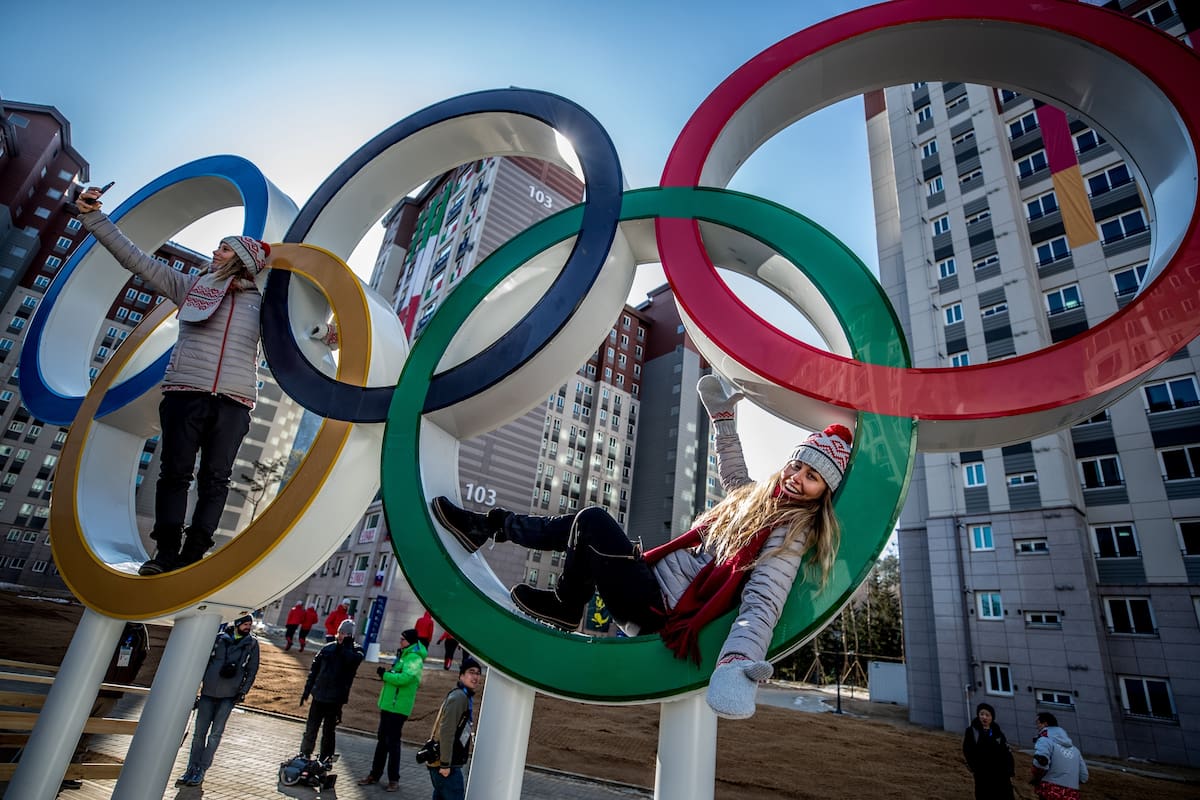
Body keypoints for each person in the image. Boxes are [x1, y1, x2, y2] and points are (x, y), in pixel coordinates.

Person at [432, 374, 849, 719]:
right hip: (648, 585)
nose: (797, 477)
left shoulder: (788, 534)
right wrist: (723, 419)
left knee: (593, 520)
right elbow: (735, 473)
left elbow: (764, 601)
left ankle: (548, 587)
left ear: (823, 491)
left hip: (659, 609)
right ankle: (493, 533)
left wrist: (737, 662)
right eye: (796, 464)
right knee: (585, 523)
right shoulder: (755, 504)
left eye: (812, 476)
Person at [74, 188, 270, 576]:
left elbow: (303, 333)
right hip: (185, 393)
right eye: (217, 248)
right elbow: (137, 260)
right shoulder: (191, 288)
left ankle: (194, 555)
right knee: (174, 473)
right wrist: (93, 217)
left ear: (243, 261)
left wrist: (329, 335)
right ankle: (164, 554)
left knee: (216, 479)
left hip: (234, 402)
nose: (216, 254)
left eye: (225, 250)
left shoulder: (265, 305)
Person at [176, 613, 260, 787]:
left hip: (229, 696)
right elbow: (203, 662)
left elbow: (252, 670)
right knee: (198, 735)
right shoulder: (219, 639)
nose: (248, 627)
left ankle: (201, 770)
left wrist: (243, 691)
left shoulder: (252, 644)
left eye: (249, 625)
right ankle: (190, 769)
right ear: (237, 624)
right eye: (245, 624)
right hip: (208, 692)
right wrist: (194, 689)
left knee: (215, 736)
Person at [358, 628, 427, 791]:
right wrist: (388, 675)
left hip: (398, 708)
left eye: (403, 639)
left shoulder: (414, 658)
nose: (400, 641)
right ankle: (374, 775)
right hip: (389, 705)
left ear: (410, 641)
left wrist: (385, 676)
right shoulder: (403, 656)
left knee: (393, 743)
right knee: (382, 741)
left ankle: (393, 780)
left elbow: (405, 679)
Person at [299, 618, 365, 763]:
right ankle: (305, 753)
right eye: (340, 632)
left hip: (335, 699)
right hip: (319, 696)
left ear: (351, 635)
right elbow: (314, 671)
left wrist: (345, 646)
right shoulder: (327, 648)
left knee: (328, 731)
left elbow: (352, 662)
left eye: (345, 633)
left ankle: (326, 758)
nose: (341, 635)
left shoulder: (356, 651)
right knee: (311, 728)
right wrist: (307, 690)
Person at [427, 656, 482, 800]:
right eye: (471, 672)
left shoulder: (463, 696)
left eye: (478, 673)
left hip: (445, 763)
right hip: (446, 766)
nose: (475, 676)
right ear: (461, 674)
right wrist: (445, 765)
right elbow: (446, 731)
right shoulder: (459, 697)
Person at [1031, 712, 1089, 799]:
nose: (1036, 726)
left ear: (1045, 724)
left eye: (1037, 723)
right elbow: (1084, 776)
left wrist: (1036, 778)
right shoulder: (1076, 750)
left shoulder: (1045, 741)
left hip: (1050, 790)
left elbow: (1040, 764)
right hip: (1072, 793)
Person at [963, 702, 1014, 800]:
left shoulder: (997, 732)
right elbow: (967, 750)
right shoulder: (972, 731)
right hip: (982, 772)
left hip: (1000, 773)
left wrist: (1009, 769)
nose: (984, 717)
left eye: (987, 715)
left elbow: (1007, 752)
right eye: (981, 714)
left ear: (992, 717)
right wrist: (974, 766)